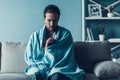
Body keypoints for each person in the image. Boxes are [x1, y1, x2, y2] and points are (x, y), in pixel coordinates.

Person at [24, 4, 84, 80]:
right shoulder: (34, 36)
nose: (52, 24)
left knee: (56, 76)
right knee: (37, 75)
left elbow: (65, 58)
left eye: (55, 20)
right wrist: (46, 47)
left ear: (58, 19)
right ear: (44, 19)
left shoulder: (66, 34)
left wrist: (49, 49)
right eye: (49, 20)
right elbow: (30, 58)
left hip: (59, 67)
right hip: (40, 67)